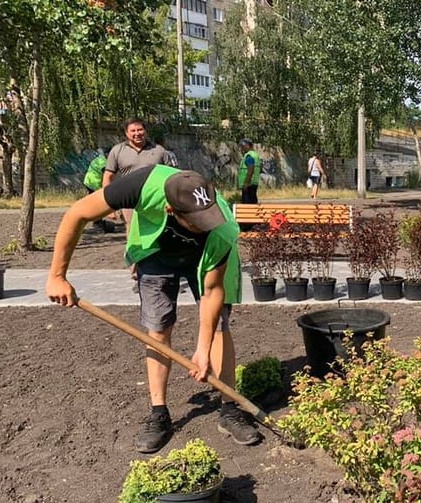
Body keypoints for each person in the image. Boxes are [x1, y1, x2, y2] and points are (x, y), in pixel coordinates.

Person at [46, 164, 262, 453]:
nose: (204, 223)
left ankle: (230, 408)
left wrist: (202, 347)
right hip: (157, 253)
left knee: (220, 327)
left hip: (206, 256)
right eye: (197, 221)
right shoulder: (141, 185)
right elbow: (78, 213)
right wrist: (57, 276)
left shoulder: (220, 226)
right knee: (157, 328)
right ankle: (159, 413)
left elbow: (212, 292)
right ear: (172, 211)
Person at [104, 118, 173, 235]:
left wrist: (171, 200)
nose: (137, 134)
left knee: (157, 231)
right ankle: (131, 253)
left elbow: (171, 176)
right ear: (126, 133)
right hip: (129, 199)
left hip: (154, 199)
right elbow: (108, 176)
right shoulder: (117, 151)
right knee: (132, 232)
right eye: (133, 131)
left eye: (140, 130)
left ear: (145, 131)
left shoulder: (159, 150)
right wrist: (108, 206)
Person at [82, 148, 112, 233]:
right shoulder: (104, 162)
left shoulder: (99, 159)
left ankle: (95, 219)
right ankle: (96, 222)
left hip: (89, 182)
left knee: (93, 201)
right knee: (99, 202)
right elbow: (107, 175)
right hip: (93, 183)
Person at [237, 139, 261, 204]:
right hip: (253, 183)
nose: (241, 148)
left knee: (247, 204)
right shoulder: (255, 155)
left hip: (248, 185)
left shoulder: (249, 156)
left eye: (242, 146)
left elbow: (251, 169)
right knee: (253, 203)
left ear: (247, 146)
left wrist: (246, 183)